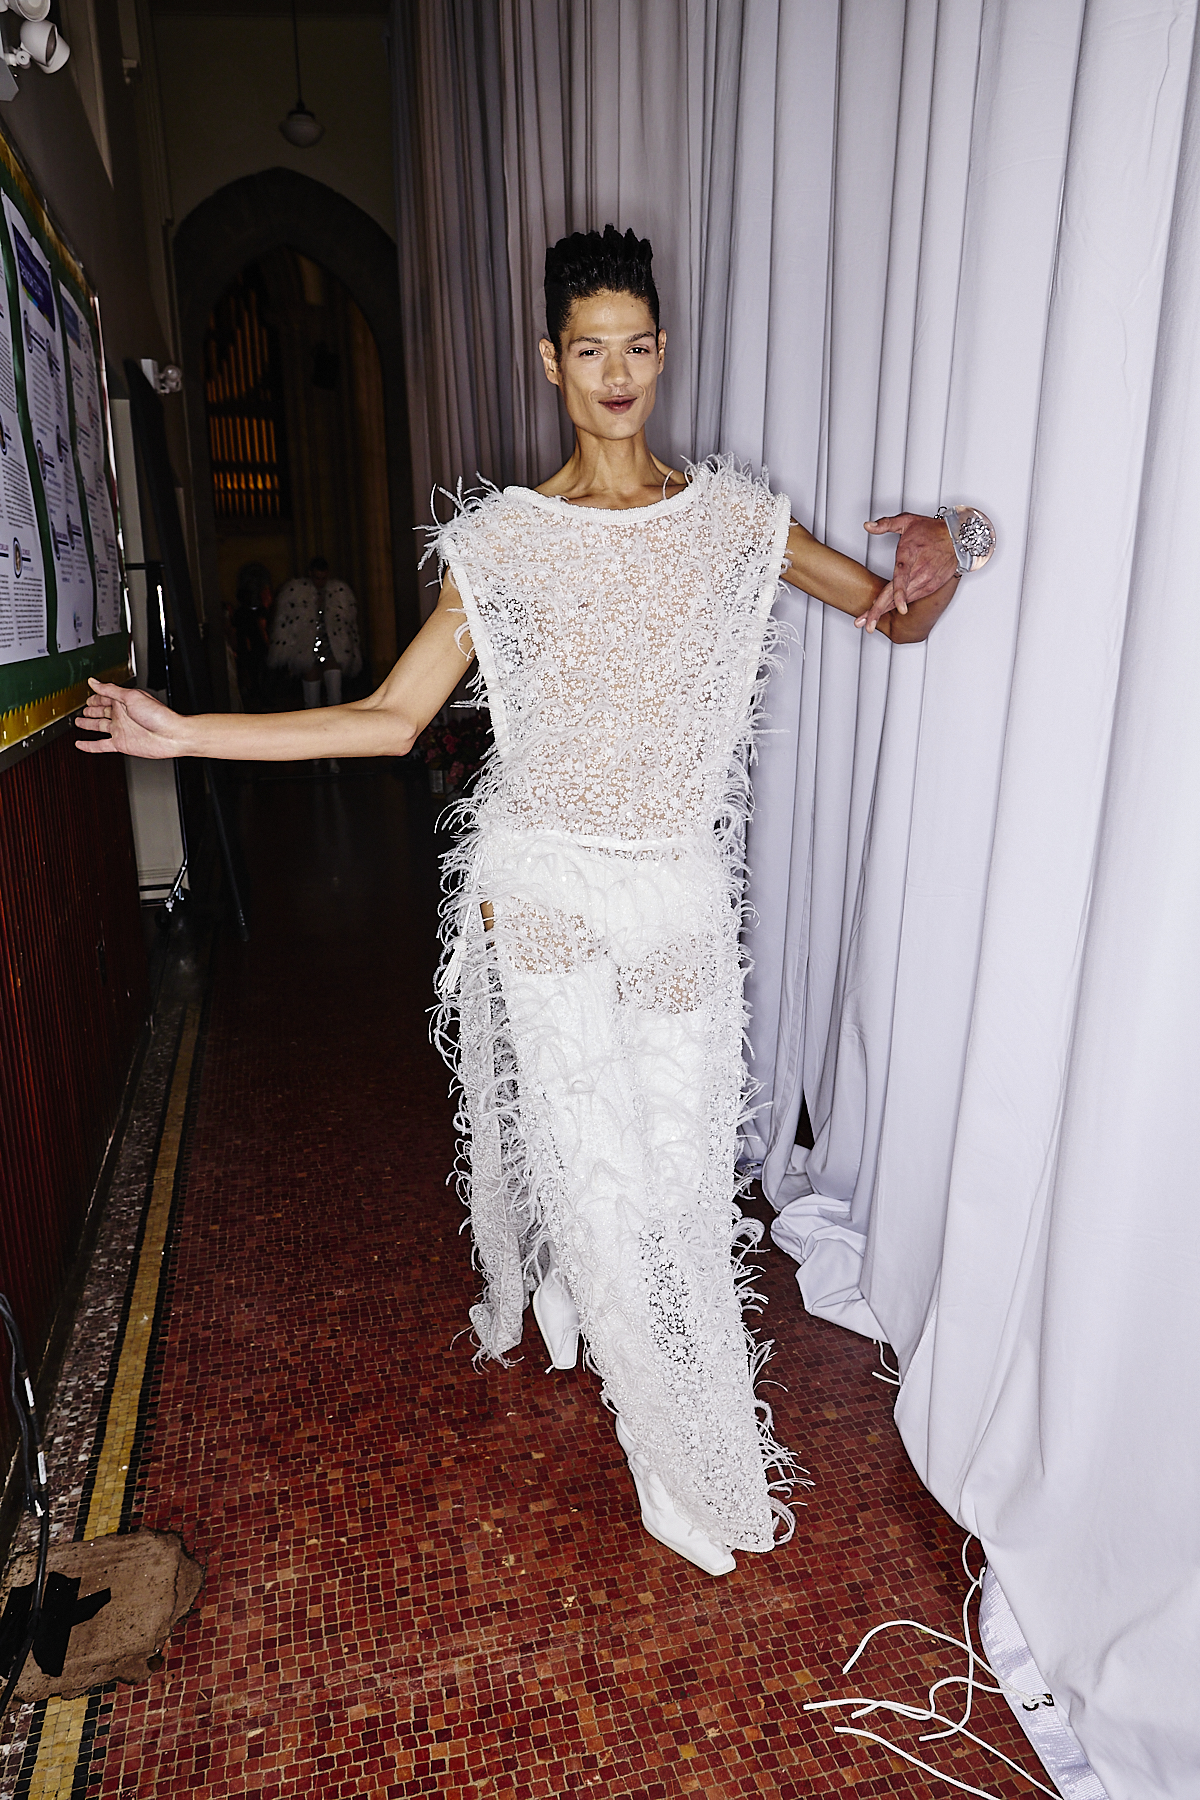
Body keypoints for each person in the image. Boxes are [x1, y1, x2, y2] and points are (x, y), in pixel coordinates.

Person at [78, 227, 989, 1579]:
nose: (617, 373)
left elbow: (896, 615)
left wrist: (953, 543)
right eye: (590, 349)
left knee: (676, 1188)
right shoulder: (503, 541)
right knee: (600, 1177)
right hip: (544, 884)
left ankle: (575, 1286)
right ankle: (671, 1452)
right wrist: (187, 732)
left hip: (676, 890)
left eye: (638, 346)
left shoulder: (737, 522)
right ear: (551, 363)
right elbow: (392, 718)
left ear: (661, 355)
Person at [268, 555, 363, 707]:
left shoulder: (339, 593)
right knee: (311, 700)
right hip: (307, 649)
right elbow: (286, 625)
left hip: (332, 647)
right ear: (310, 574)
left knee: (335, 697)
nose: (320, 582)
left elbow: (349, 624)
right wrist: (289, 653)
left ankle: (334, 721)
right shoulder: (296, 594)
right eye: (317, 578)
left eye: (323, 578)